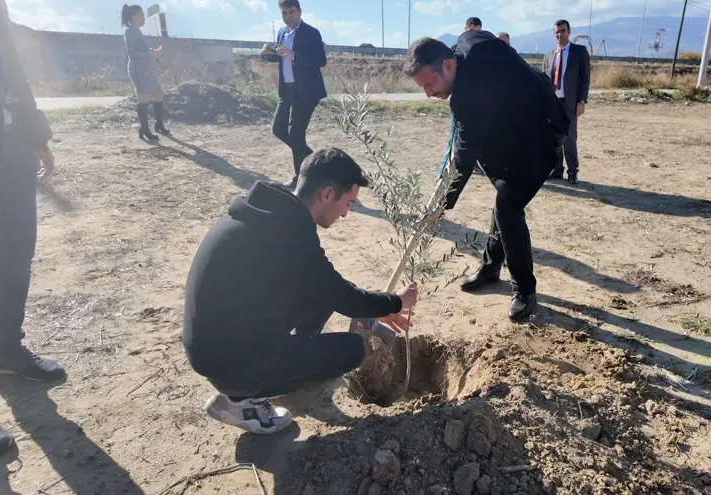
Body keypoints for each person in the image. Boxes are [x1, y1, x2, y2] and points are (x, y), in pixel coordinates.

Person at [183, 147, 418, 435]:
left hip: (218, 342)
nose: (346, 213)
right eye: (349, 203)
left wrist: (382, 307)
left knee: (321, 298)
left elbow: (326, 286)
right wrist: (396, 301)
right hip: (228, 363)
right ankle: (239, 401)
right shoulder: (288, 235)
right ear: (327, 194)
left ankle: (284, 364)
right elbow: (342, 296)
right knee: (351, 350)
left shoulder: (269, 214)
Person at [404, 32, 568, 322]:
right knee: (503, 201)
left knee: (508, 207)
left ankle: (525, 290)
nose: (428, 94)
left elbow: (464, 158)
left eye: (429, 84)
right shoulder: (468, 41)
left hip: (542, 135)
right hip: (514, 134)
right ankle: (492, 268)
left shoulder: (468, 97)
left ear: (448, 66)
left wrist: (440, 206)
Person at [0, 0, 66, 456]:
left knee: (15, 255)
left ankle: (3, 348)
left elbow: (15, 73)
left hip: (9, 146)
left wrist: (35, 138)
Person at [261, 0, 327, 189]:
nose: (288, 17)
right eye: (284, 13)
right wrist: (267, 54)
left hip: (306, 91)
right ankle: (316, 163)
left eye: (291, 12)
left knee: (295, 134)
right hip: (287, 90)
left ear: (299, 12)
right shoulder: (282, 32)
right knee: (278, 129)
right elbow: (281, 56)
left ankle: (302, 177)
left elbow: (320, 60)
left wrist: (294, 54)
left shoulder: (311, 33)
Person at [542, 20, 590, 185]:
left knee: (569, 139)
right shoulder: (549, 55)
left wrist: (582, 101)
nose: (559, 35)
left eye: (563, 31)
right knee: (553, 139)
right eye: (556, 32)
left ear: (569, 32)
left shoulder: (579, 52)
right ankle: (556, 170)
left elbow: (585, 79)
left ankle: (573, 172)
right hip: (552, 103)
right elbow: (544, 79)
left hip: (569, 103)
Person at [121, 4, 169, 141]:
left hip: (146, 69)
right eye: (142, 15)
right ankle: (144, 129)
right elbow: (132, 52)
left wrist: (153, 53)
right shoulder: (129, 32)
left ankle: (159, 124)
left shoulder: (138, 32)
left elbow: (143, 52)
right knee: (143, 97)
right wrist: (150, 53)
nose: (144, 18)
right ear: (133, 17)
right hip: (137, 69)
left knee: (158, 94)